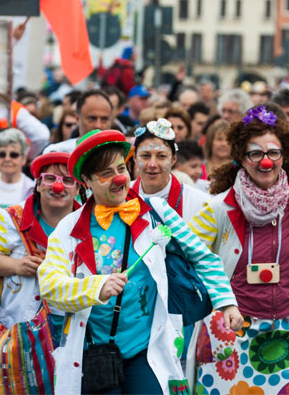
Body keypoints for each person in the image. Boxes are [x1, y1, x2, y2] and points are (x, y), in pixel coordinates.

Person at [37, 129, 242, 394]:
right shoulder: (69, 228)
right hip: (94, 353)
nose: (119, 178)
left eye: (121, 167)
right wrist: (95, 287)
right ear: (86, 180)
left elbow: (202, 257)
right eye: (106, 173)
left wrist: (227, 303)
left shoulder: (156, 212)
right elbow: (50, 287)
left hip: (146, 351)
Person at [187, 105, 289, 394]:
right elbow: (192, 258)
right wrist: (220, 302)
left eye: (273, 153)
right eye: (255, 154)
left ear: (284, 155)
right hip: (229, 334)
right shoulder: (219, 207)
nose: (266, 162)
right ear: (241, 159)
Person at [0, 151, 81, 390]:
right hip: (17, 335)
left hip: (72, 334)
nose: (58, 186)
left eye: (68, 180)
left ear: (79, 188)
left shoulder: (89, 224)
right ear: (38, 184)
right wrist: (15, 265)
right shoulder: (9, 219)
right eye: (50, 178)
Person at [130, 118, 209, 222]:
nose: (152, 164)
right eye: (145, 156)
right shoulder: (122, 197)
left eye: (161, 156)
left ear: (173, 159)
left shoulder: (200, 203)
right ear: (135, 158)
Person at [45, 89, 114, 153]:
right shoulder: (56, 151)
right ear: (77, 119)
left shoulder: (120, 154)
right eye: (92, 118)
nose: (98, 125)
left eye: (104, 119)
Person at [0, 128, 34, 211]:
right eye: (2, 154)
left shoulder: (32, 190)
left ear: (24, 159)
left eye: (13, 155)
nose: (7, 159)